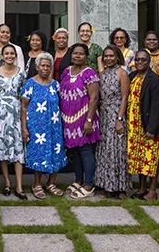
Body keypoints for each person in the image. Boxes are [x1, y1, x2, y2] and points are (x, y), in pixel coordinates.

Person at [21, 53, 67, 200]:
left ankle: (51, 183)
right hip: (36, 127)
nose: (45, 68)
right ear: (37, 67)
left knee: (56, 153)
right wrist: (24, 128)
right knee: (38, 154)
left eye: (48, 66)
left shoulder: (55, 84)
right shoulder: (30, 84)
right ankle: (36, 184)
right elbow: (23, 107)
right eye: (43, 65)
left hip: (54, 126)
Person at [127, 50, 159, 201]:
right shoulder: (131, 77)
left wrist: (151, 129)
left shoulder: (155, 79)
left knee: (151, 160)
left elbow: (158, 106)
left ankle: (152, 191)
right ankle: (142, 188)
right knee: (139, 159)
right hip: (134, 127)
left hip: (149, 127)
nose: (140, 62)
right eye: (137, 60)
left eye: (143, 60)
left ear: (149, 61)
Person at [60, 43, 100, 199]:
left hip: (84, 118)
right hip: (69, 119)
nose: (77, 56)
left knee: (85, 150)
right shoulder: (66, 71)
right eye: (75, 53)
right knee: (75, 151)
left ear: (86, 56)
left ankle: (89, 185)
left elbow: (94, 97)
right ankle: (78, 180)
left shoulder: (90, 73)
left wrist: (89, 120)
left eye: (81, 54)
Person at [0, 44, 26, 199]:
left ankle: (19, 186)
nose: (9, 56)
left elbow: (24, 96)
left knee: (18, 149)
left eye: (12, 53)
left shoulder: (21, 72)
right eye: (6, 53)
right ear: (2, 56)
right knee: (2, 149)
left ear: (15, 56)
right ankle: (7, 182)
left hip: (16, 113)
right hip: (1, 114)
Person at [94, 45, 130, 199]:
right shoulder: (101, 74)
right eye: (106, 56)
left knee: (118, 151)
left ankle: (121, 187)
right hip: (103, 116)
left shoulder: (122, 73)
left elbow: (124, 97)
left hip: (116, 115)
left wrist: (119, 119)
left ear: (117, 57)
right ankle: (108, 186)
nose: (108, 58)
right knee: (106, 151)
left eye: (111, 56)